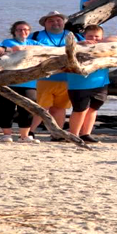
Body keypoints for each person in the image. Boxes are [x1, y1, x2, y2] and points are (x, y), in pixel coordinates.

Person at [28, 12, 85, 140]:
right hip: (44, 78)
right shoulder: (37, 36)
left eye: (58, 20)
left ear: (63, 22)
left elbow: (88, 47)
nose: (55, 23)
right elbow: (26, 48)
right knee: (42, 107)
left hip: (67, 78)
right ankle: (30, 132)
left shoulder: (73, 35)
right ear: (45, 23)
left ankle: (57, 134)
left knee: (60, 108)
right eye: (51, 21)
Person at [67, 25, 117, 143]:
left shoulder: (104, 45)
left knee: (93, 109)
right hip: (79, 84)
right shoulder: (78, 44)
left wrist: (101, 41)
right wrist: (84, 42)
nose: (93, 38)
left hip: (100, 83)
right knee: (80, 110)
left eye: (97, 36)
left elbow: (116, 39)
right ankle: (73, 135)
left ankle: (86, 134)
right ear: (84, 35)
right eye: (90, 36)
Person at [0, 21, 41, 143]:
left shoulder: (34, 42)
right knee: (6, 109)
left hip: (29, 82)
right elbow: (17, 49)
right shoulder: (7, 42)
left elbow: (47, 49)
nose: (23, 32)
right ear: (14, 32)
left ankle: (24, 136)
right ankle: (7, 135)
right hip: (7, 82)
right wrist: (33, 50)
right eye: (19, 30)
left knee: (28, 109)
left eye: (26, 29)